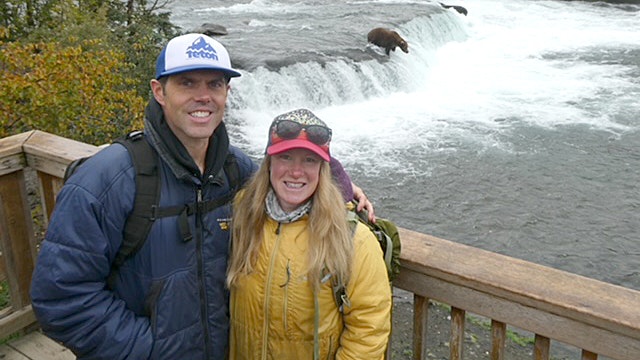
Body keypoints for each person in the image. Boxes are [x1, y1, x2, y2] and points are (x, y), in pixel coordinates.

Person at [29, 33, 373, 359]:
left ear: (226, 93)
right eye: (187, 83)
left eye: (215, 84)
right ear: (159, 91)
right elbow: (61, 298)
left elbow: (287, 178)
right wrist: (150, 351)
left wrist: (340, 185)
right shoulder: (109, 179)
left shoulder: (234, 169)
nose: (203, 96)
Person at [226, 109, 392, 359]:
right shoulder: (242, 215)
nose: (296, 171)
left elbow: (368, 330)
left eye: (309, 160)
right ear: (268, 163)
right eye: (286, 156)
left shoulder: (353, 238)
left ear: (323, 170)